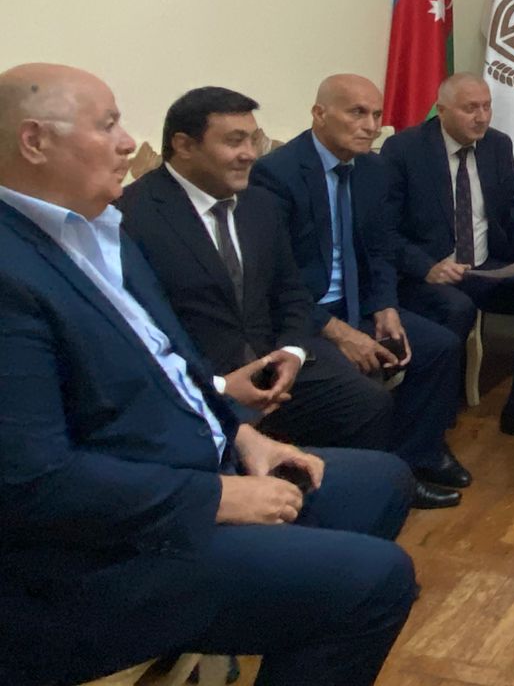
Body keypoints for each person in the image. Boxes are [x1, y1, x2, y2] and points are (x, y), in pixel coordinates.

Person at [0, 63, 417, 686]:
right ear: (35, 141)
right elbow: (33, 483)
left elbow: (171, 364)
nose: (127, 143)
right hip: (97, 554)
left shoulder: (100, 232)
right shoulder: (12, 272)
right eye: (108, 125)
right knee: (377, 580)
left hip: (186, 466)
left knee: (382, 480)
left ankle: (284, 609)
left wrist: (242, 436)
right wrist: (217, 498)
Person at [119, 87, 399, 467]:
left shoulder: (259, 203)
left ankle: (331, 492)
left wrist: (292, 352)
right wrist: (218, 385)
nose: (250, 153)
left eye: (253, 140)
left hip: (274, 361)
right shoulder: (130, 216)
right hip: (200, 383)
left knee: (368, 404)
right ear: (184, 146)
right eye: (234, 141)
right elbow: (141, 329)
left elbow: (291, 292)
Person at [252, 73, 470, 506]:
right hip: (303, 318)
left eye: (376, 114)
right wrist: (338, 332)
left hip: (358, 304)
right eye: (357, 113)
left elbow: (381, 248)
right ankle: (374, 485)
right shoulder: (276, 174)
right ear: (319, 114)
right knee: (364, 393)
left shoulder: (372, 169)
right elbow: (276, 279)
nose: (371, 126)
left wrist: (385, 306)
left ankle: (415, 460)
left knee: (439, 347)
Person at [382, 73, 514, 449]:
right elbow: (385, 231)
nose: (481, 117)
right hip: (429, 275)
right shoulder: (405, 150)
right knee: (456, 308)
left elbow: (513, 210)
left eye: (486, 107)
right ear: (442, 110)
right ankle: (436, 418)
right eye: (470, 109)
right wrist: (426, 267)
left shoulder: (497, 145)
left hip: (484, 267)